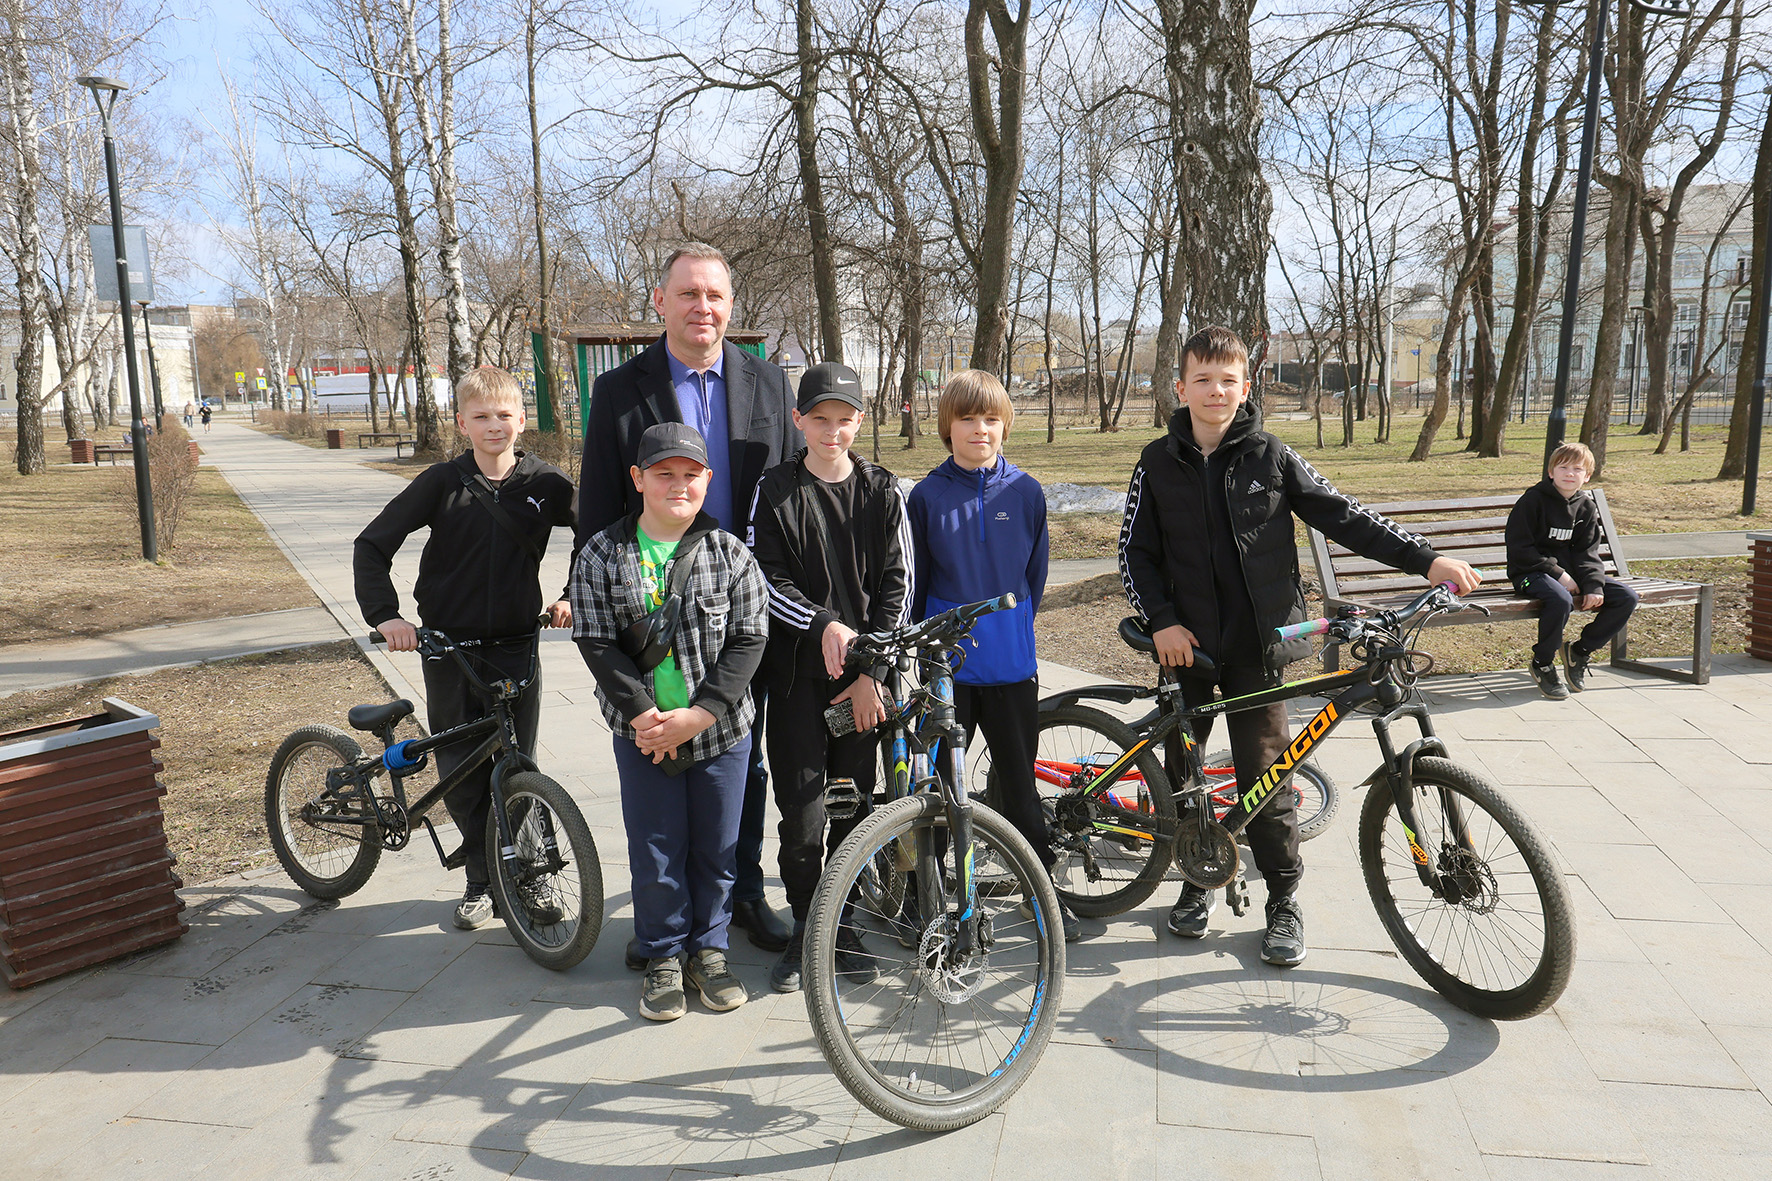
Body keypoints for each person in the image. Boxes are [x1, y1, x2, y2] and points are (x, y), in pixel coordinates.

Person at [1118, 325, 1480, 967]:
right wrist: (1162, 622)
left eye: (1228, 380)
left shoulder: (1271, 456)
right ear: (1180, 387)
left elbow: (1344, 514)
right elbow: (1133, 554)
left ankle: (1283, 898)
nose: (1215, 391)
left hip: (1259, 648)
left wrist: (1425, 559)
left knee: (1269, 774)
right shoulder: (1155, 462)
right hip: (1185, 649)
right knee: (1184, 773)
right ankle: (1195, 879)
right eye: (1202, 379)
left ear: (1245, 387)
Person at [576, 242, 799, 960]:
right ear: (661, 301)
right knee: (660, 765)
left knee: (743, 756)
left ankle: (742, 895)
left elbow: (789, 492)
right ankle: (666, 921)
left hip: (748, 605)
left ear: (731, 305)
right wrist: (594, 594)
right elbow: (597, 501)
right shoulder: (619, 389)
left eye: (715, 295)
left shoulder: (769, 382)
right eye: (689, 293)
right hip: (655, 604)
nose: (703, 307)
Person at [353, 366, 577, 929]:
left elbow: (598, 535)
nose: (494, 425)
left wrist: (572, 594)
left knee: (517, 764)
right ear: (461, 423)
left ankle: (527, 875)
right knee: (462, 769)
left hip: (516, 645)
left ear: (522, 419)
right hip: (448, 647)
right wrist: (387, 617)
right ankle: (481, 879)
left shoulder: (546, 483)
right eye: (481, 416)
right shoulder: (441, 482)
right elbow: (372, 544)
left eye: (504, 415)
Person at [571, 422, 769, 1021]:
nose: (678, 485)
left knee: (717, 847)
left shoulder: (730, 554)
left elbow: (749, 638)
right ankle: (662, 954)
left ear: (707, 480)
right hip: (644, 735)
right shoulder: (603, 554)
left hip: (721, 734)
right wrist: (643, 714)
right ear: (638, 479)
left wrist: (703, 713)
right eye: (664, 474)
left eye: (690, 475)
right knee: (655, 849)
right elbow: (596, 639)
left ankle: (709, 950)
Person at [748, 362, 912, 992]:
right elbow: (764, 581)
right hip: (796, 680)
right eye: (819, 419)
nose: (832, 431)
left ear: (859, 422)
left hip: (862, 685)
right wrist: (822, 625)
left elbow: (899, 585)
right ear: (799, 420)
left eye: (844, 420)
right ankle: (805, 926)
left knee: (852, 806)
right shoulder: (774, 490)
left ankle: (842, 925)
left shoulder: (883, 490)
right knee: (802, 813)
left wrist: (874, 671)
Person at [906, 369, 1080, 942]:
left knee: (1020, 789)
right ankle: (924, 901)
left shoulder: (1025, 492)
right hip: (948, 673)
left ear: (1005, 425)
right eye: (967, 419)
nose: (979, 429)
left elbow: (1035, 576)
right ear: (947, 426)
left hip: (1010, 667)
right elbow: (917, 583)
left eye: (990, 419)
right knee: (937, 791)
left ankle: (1043, 897)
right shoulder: (926, 497)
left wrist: (1012, 632)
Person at [1507, 441, 1638, 699]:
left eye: (1577, 469)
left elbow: (1587, 552)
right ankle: (1543, 663)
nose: (1570, 474)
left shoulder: (1585, 506)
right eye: (1563, 467)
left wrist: (1593, 585)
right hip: (1529, 574)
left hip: (1571, 576)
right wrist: (1559, 574)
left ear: (1587, 476)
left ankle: (1579, 652)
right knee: (1560, 599)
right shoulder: (1532, 501)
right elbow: (1520, 548)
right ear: (1551, 472)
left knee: (1626, 597)